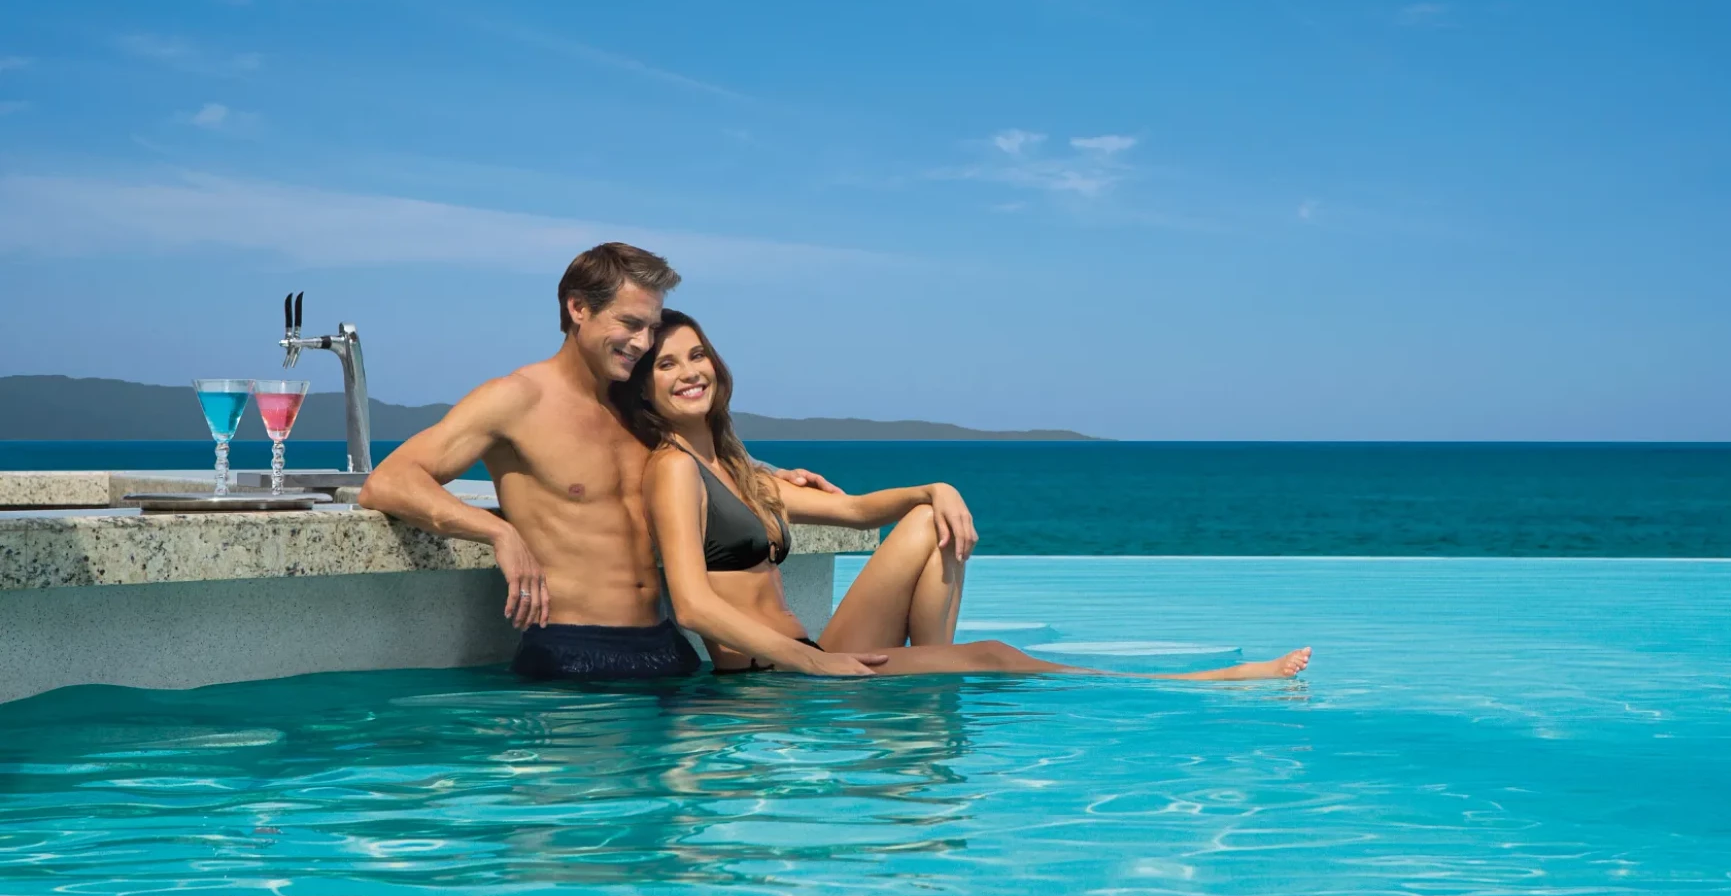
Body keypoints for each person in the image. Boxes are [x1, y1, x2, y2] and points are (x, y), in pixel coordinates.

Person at [621, 310, 1312, 682]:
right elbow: (690, 602)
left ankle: (926, 676)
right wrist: (814, 661)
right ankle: (1201, 682)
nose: (690, 372)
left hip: (806, 656)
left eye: (696, 354)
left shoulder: (738, 470)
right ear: (646, 389)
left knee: (926, 520)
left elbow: (860, 510)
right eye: (667, 364)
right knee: (997, 656)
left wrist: (936, 486)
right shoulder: (673, 469)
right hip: (771, 683)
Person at [357, 242, 857, 680]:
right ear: (578, 308)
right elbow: (389, 481)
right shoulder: (515, 399)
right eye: (629, 323)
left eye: (651, 327)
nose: (641, 342)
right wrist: (498, 533)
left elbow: (697, 462)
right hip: (573, 654)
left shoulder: (635, 407)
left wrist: (763, 475)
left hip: (667, 650)